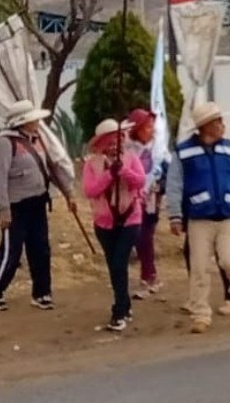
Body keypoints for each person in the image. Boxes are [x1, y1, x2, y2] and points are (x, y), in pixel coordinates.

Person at [166, 102, 230, 334]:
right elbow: (174, 185)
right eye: (217, 121)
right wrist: (175, 215)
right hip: (199, 218)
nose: (222, 125)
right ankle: (200, 314)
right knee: (199, 268)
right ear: (205, 126)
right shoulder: (184, 152)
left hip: (229, 215)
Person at [0, 100, 76, 312]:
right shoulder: (5, 144)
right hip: (16, 206)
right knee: (11, 251)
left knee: (41, 249)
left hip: (38, 202)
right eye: (34, 119)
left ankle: (42, 292)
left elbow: (51, 170)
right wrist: (4, 210)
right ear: (23, 122)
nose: (38, 122)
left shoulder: (38, 140)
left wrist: (68, 194)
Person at [82, 118, 146, 332]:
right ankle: (124, 303)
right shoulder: (91, 164)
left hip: (130, 218)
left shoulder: (131, 158)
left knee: (119, 262)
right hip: (104, 223)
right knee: (114, 266)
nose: (117, 143)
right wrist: (110, 174)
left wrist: (123, 172)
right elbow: (90, 190)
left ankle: (118, 312)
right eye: (112, 139)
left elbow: (140, 181)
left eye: (120, 137)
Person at [125, 108, 164, 300]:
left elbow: (164, 169)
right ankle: (150, 275)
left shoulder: (158, 148)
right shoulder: (128, 148)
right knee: (138, 236)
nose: (151, 130)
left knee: (144, 235)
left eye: (151, 126)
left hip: (151, 198)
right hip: (132, 197)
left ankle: (148, 277)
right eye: (147, 126)